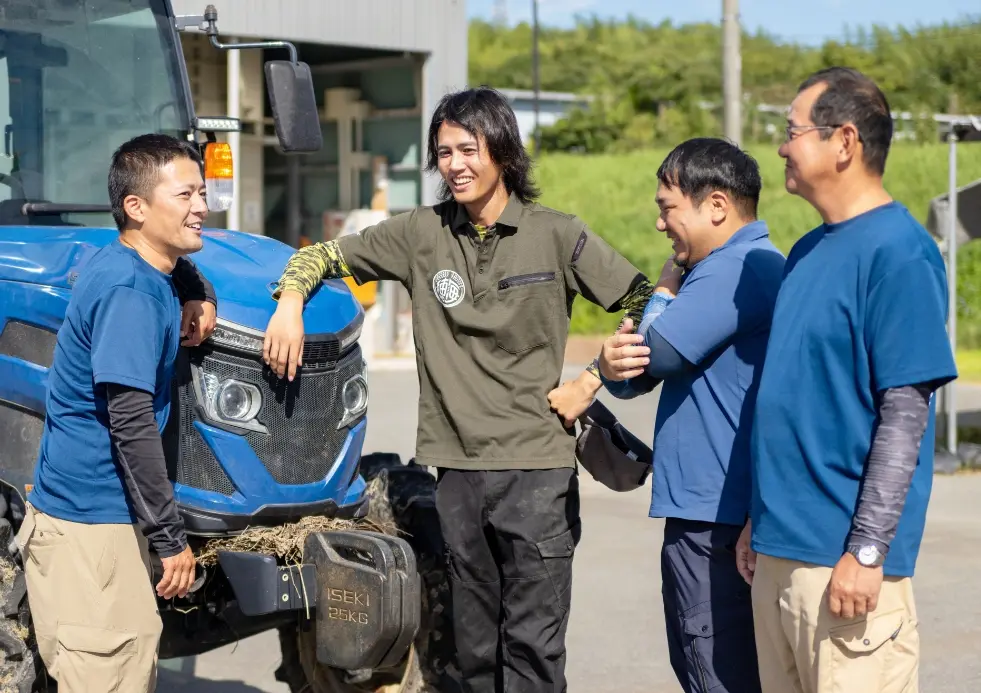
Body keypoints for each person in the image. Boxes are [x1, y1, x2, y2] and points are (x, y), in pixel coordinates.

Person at [262, 86, 656, 693]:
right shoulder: (421, 233)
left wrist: (592, 378)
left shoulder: (557, 235)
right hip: (457, 473)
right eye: (443, 153)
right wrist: (289, 301)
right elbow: (323, 258)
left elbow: (642, 300)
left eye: (468, 149)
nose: (455, 165)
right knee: (472, 651)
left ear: (501, 150)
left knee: (533, 648)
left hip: (537, 471)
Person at [736, 67, 958, 693]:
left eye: (792, 130)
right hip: (782, 554)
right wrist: (762, 517)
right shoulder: (807, 251)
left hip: (846, 569)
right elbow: (799, 397)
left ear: (844, 142)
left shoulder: (900, 253)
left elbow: (905, 414)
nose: (781, 146)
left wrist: (866, 552)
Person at [16, 133, 216, 692]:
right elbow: (129, 423)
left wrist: (200, 291)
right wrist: (171, 537)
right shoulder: (130, 292)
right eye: (186, 195)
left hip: (99, 518)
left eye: (202, 192)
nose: (202, 206)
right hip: (93, 531)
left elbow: (176, 267)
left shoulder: (136, 265)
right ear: (137, 206)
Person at [595, 138, 785, 693]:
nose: (660, 224)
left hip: (717, 516)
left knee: (715, 668)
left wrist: (664, 285)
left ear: (717, 206)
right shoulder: (729, 265)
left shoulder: (737, 268)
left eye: (667, 207)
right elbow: (632, 378)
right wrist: (619, 364)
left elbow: (655, 354)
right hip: (708, 510)